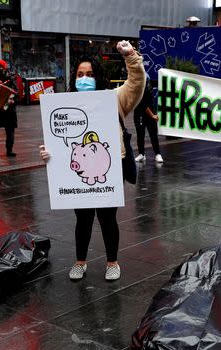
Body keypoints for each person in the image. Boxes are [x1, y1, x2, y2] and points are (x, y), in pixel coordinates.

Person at [38, 41, 144, 282]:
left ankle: (112, 262)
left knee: (108, 219)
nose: (84, 78)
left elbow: (136, 83)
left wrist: (131, 57)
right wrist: (48, 153)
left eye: (89, 74)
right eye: (79, 75)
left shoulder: (115, 98)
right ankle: (80, 262)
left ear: (97, 77)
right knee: (83, 219)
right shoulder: (65, 105)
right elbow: (60, 142)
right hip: (80, 174)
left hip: (109, 169)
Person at [134, 76, 162, 164]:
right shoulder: (136, 86)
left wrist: (153, 115)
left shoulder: (148, 83)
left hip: (150, 112)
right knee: (140, 134)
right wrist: (152, 115)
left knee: (153, 134)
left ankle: (157, 154)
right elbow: (142, 103)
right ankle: (141, 154)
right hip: (140, 113)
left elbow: (145, 103)